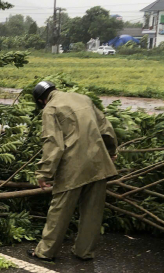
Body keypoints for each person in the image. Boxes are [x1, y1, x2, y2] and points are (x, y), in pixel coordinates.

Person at [31, 81, 118, 261]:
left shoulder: (51, 108)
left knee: (60, 210)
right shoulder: (83, 99)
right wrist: (111, 151)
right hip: (98, 163)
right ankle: (84, 252)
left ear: (41, 100)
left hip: (73, 167)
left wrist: (44, 173)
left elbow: (53, 143)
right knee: (92, 212)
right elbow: (106, 128)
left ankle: (45, 252)